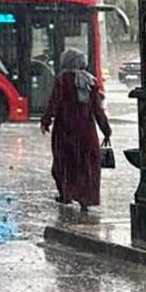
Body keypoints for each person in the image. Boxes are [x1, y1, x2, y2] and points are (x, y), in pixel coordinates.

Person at [40, 48, 111, 212]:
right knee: (85, 166)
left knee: (63, 165)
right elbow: (98, 109)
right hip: (86, 133)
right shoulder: (90, 81)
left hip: (65, 131)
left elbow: (54, 102)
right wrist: (106, 130)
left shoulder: (62, 80)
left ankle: (66, 194)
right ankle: (85, 199)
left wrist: (46, 121)